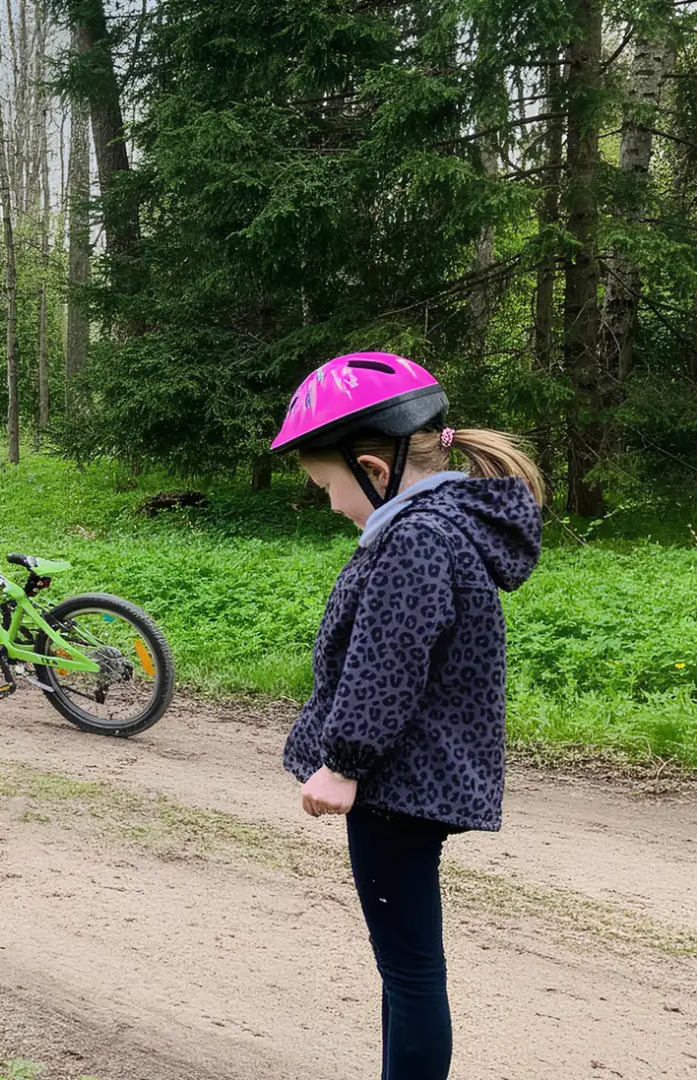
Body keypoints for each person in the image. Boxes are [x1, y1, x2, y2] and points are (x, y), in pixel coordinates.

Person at [269, 353, 544, 1080]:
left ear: (373, 469)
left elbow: (387, 660)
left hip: (397, 782)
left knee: (411, 971)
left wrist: (343, 764)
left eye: (328, 486)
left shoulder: (415, 537)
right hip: (417, 774)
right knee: (408, 968)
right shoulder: (443, 525)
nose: (332, 504)